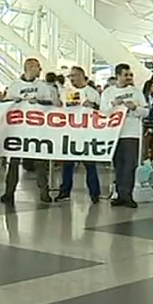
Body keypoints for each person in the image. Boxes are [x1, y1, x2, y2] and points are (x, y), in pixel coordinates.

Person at [3, 57, 59, 204]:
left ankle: (44, 192)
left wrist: (39, 102)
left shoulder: (42, 86)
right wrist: (14, 102)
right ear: (29, 68)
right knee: (14, 162)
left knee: (40, 162)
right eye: (37, 67)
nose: (39, 70)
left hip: (36, 129)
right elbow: (5, 104)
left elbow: (50, 104)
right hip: (18, 130)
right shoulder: (15, 86)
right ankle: (9, 192)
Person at [101, 63, 149, 208]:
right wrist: (113, 104)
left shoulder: (136, 92)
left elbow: (146, 112)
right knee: (118, 165)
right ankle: (120, 193)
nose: (128, 77)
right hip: (114, 133)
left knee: (130, 165)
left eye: (130, 75)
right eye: (125, 75)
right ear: (118, 76)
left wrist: (134, 108)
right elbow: (103, 113)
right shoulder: (108, 93)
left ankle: (127, 195)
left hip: (131, 133)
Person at [56, 66, 101, 203]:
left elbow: (101, 111)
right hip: (70, 133)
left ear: (81, 76)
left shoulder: (92, 93)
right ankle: (65, 191)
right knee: (67, 165)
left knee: (90, 165)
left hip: (87, 134)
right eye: (70, 76)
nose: (72, 78)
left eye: (74, 75)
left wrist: (93, 106)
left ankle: (94, 193)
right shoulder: (67, 92)